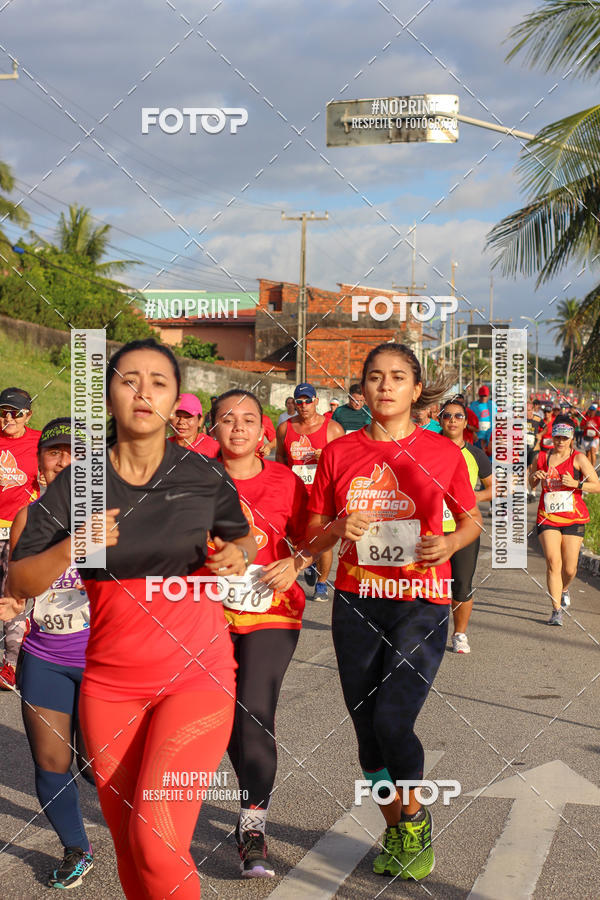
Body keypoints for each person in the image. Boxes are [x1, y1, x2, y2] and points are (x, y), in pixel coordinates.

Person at [8, 338, 257, 900]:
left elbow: (241, 548)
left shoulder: (203, 477)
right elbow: (20, 584)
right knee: (129, 849)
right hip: (109, 687)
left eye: (159, 382)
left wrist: (234, 559)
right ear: (109, 394)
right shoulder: (81, 484)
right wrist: (75, 546)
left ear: (175, 401)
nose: (144, 391)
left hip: (196, 678)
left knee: (157, 839)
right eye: (129, 379)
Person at [303, 342, 481, 881]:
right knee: (365, 733)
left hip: (421, 601)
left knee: (392, 718)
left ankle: (414, 817)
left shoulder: (444, 453)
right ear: (363, 387)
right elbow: (312, 534)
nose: (386, 385)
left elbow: (471, 522)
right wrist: (336, 529)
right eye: (376, 377)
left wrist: (448, 547)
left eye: (397, 377)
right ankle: (397, 823)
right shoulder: (339, 453)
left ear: (414, 387)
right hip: (357, 601)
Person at [211, 389, 310, 877]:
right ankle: (246, 798)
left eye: (248, 419)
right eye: (227, 419)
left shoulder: (288, 483)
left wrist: (297, 562)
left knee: (254, 710)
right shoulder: (192, 479)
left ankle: (253, 825)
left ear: (263, 431)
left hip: (273, 611)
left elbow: (316, 544)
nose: (238, 427)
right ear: (214, 428)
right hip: (207, 614)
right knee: (224, 715)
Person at [0, 418, 96, 889]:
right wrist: (12, 601)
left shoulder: (105, 516)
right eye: (53, 452)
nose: (62, 460)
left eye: (72, 453)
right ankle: (77, 847)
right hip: (45, 655)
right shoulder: (27, 518)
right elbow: (18, 588)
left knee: (102, 766)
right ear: (38, 463)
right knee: (50, 761)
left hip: (104, 660)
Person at [528, 415, 599, 625]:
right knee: (553, 562)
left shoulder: (579, 459)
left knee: (570, 569)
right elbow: (531, 484)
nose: (560, 441)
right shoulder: (541, 457)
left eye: (564, 438)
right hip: (547, 517)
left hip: (573, 518)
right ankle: (556, 610)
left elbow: (596, 485)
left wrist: (577, 484)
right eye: (557, 437)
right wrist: (535, 477)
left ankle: (565, 588)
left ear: (571, 439)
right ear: (553, 436)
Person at [276, 383, 344, 601]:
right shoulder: (285, 428)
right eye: (299, 402)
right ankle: (309, 563)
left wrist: (325, 458)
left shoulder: (333, 429)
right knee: (297, 539)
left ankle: (322, 584)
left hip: (322, 494)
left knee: (324, 539)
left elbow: (344, 464)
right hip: (294, 494)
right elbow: (280, 459)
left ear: (316, 401)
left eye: (307, 400)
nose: (303, 405)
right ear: (294, 404)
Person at [439, 399, 492, 654]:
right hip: (431, 526)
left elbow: (494, 488)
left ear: (465, 422)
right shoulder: (427, 448)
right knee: (427, 583)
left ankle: (459, 634)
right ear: (440, 419)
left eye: (457, 416)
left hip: (463, 527)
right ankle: (424, 629)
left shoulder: (475, 454)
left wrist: (470, 498)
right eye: (447, 415)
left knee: (461, 584)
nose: (452, 420)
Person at [0, 387, 41, 689]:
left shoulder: (40, 442)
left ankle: (10, 665)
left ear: (29, 414)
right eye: (3, 412)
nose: (8, 418)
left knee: (11, 597)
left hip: (18, 531)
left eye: (16, 413)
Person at [169, 392, 220, 457]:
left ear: (200, 421)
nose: (181, 422)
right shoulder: (161, 448)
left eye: (188, 417)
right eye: (177, 416)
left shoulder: (215, 449)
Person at [469, 385, 493, 453]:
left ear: (488, 395)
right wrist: (473, 433)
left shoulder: (492, 404)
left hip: (489, 437)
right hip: (478, 437)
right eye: (481, 396)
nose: (483, 398)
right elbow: (470, 420)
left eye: (485, 396)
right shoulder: (473, 405)